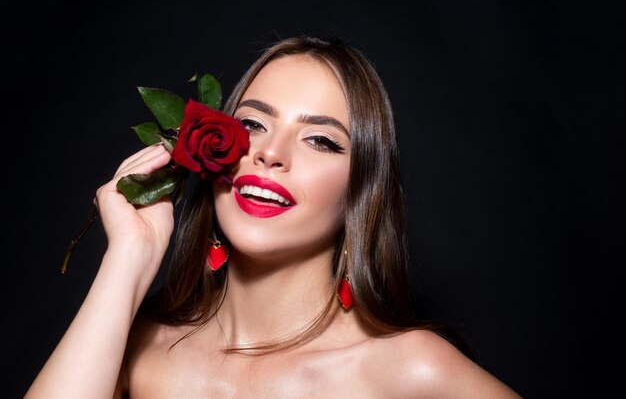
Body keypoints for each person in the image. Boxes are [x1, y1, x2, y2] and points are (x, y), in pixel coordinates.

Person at [26, 35, 522, 398]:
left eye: (320, 140)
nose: (270, 153)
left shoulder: (411, 371)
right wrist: (128, 261)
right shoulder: (137, 351)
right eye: (252, 124)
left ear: (361, 190)